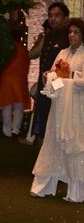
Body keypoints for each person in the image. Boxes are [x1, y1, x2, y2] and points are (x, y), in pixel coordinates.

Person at [30, 18, 84, 202]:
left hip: (77, 109)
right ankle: (42, 186)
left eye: (76, 32)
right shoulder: (62, 53)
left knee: (75, 146)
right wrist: (50, 76)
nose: (72, 35)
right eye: (70, 32)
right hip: (59, 107)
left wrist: (69, 77)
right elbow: (57, 82)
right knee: (52, 144)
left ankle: (76, 191)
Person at [32, 2, 70, 145]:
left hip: (58, 85)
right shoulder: (49, 36)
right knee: (44, 115)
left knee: (55, 118)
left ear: (65, 18)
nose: (53, 19)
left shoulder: (67, 37)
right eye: (50, 15)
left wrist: (56, 85)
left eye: (57, 15)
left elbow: (68, 65)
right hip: (45, 84)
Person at [0, 9, 30, 138]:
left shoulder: (7, 48)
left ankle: (7, 131)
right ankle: (16, 130)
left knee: (6, 106)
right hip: (20, 80)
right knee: (19, 106)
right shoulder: (24, 50)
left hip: (7, 79)